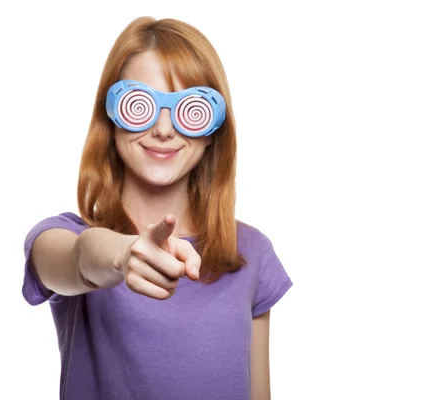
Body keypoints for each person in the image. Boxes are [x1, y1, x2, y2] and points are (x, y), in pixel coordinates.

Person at [22, 16, 293, 400]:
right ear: (111, 120)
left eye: (189, 107)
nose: (164, 129)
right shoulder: (62, 236)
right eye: (142, 105)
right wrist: (123, 255)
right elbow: (77, 260)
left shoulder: (250, 252)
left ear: (214, 131)